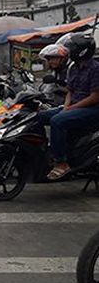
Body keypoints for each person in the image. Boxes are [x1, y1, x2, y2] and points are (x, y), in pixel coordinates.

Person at [38, 33, 99, 180]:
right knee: (38, 116)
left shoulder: (95, 69)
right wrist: (66, 107)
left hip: (92, 110)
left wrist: (72, 108)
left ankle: (61, 162)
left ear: (81, 51)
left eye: (71, 49)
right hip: (75, 107)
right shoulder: (74, 68)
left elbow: (95, 97)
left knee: (57, 121)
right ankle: (44, 153)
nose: (68, 52)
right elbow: (70, 91)